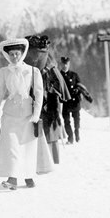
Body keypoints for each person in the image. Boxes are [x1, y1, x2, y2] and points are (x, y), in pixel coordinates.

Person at [0, 38, 46, 190]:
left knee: (28, 147)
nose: (15, 57)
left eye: (17, 54)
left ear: (22, 53)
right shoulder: (3, 72)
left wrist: (36, 114)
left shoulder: (34, 71)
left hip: (28, 114)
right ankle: (12, 178)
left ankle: (28, 175)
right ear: (7, 55)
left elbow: (39, 94)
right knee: (11, 146)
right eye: (12, 54)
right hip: (9, 114)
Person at [24, 35, 71, 164]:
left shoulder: (43, 66)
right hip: (45, 102)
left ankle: (44, 161)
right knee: (47, 132)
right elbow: (61, 87)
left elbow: (59, 86)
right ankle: (48, 160)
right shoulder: (50, 64)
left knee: (43, 131)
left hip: (45, 102)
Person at [59, 57, 93, 143]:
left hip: (75, 101)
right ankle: (70, 137)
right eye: (63, 64)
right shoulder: (59, 75)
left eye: (66, 64)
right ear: (61, 64)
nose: (65, 66)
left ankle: (77, 133)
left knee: (77, 120)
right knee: (66, 121)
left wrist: (77, 89)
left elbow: (79, 85)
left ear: (69, 64)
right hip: (66, 101)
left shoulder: (74, 75)